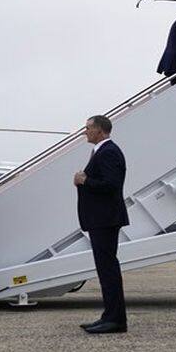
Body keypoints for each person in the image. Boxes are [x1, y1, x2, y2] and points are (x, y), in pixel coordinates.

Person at [73, 115, 129, 334]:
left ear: (99, 130)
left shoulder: (109, 152)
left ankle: (115, 320)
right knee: (105, 270)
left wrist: (84, 180)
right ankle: (109, 316)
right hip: (101, 219)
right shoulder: (102, 151)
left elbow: (111, 185)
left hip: (105, 219)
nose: (85, 132)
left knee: (108, 270)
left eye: (87, 128)